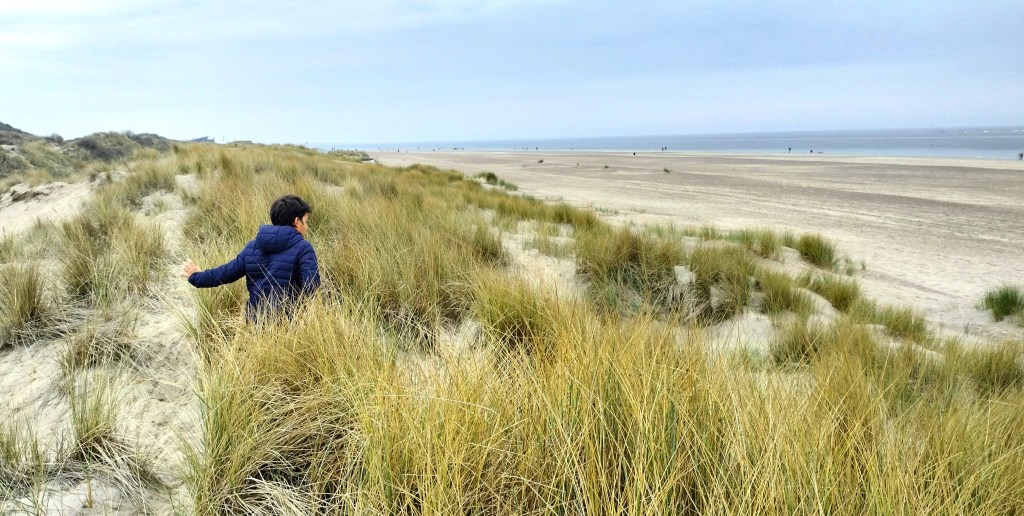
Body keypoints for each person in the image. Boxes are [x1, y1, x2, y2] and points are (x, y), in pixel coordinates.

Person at [181, 195, 320, 322]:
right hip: (290, 328)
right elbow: (312, 290)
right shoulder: (304, 248)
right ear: (296, 221)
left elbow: (225, 273)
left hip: (255, 323)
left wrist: (197, 276)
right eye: (305, 221)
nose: (306, 227)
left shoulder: (253, 246)